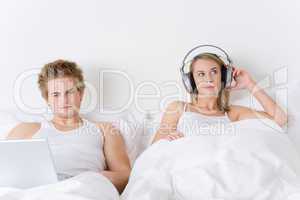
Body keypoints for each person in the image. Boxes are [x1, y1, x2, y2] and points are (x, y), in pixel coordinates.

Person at [7, 59, 131, 193]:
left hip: (83, 191)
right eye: (56, 95)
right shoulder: (25, 130)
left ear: (81, 93)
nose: (64, 101)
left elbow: (125, 175)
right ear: (47, 99)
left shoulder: (105, 130)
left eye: (69, 92)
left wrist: (97, 179)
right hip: (37, 192)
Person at [152, 53, 288, 143]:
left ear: (224, 77)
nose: (208, 79)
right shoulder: (178, 108)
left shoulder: (232, 113)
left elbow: (279, 120)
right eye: (201, 74)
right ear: (191, 81)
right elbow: (153, 150)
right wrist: (168, 140)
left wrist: (249, 84)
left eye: (214, 72)